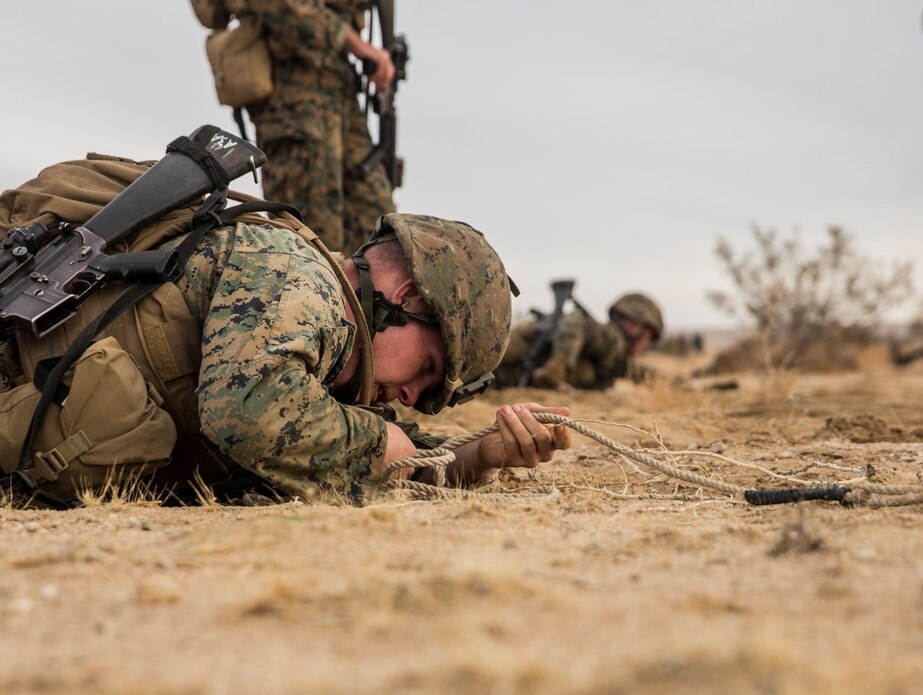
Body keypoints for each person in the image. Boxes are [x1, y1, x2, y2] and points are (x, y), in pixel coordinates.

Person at [0, 157, 570, 505]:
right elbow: (248, 408)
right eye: (427, 370)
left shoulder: (325, 357)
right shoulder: (298, 276)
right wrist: (374, 448)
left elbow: (388, 446)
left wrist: (480, 456)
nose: (409, 397)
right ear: (408, 299)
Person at [200, 0, 397, 256]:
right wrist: (358, 46)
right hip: (295, 102)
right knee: (310, 245)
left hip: (337, 89)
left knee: (379, 238)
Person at [494, 292, 664, 390]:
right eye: (650, 337)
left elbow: (637, 372)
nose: (647, 345)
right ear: (634, 327)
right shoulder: (613, 340)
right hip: (522, 346)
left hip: (510, 374)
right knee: (486, 356)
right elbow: (575, 321)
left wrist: (674, 384)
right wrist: (559, 364)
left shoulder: (617, 359)